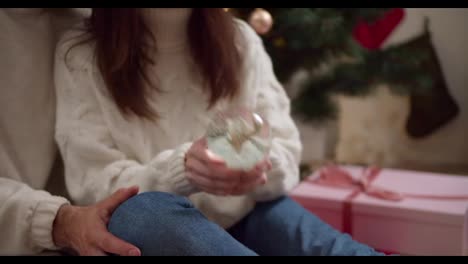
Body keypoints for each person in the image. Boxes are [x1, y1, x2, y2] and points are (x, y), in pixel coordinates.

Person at [54, 8, 384, 256]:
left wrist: (253, 169)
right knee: (143, 213)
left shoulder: (240, 40)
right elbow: (93, 186)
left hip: (243, 207)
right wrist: (184, 170)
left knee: (320, 241)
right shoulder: (83, 53)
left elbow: (284, 149)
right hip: (151, 220)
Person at [0, 8, 141, 256]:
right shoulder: (83, 44)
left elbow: (227, 136)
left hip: (218, 207)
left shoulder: (94, 27)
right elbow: (97, 175)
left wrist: (221, 157)